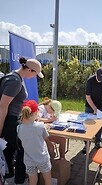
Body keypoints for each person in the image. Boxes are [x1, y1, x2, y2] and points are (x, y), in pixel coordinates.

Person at [0, 57, 44, 185]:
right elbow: (3, 106)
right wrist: (1, 129)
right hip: (9, 121)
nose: (35, 76)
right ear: (30, 70)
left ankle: (9, 174)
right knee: (23, 148)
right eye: (35, 74)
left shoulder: (13, 77)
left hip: (11, 120)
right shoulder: (15, 81)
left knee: (9, 148)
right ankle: (19, 180)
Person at [18, 100, 52, 185]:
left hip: (29, 160)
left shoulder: (18, 128)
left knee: (32, 181)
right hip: (42, 158)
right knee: (47, 180)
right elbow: (46, 137)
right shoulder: (41, 126)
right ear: (36, 112)